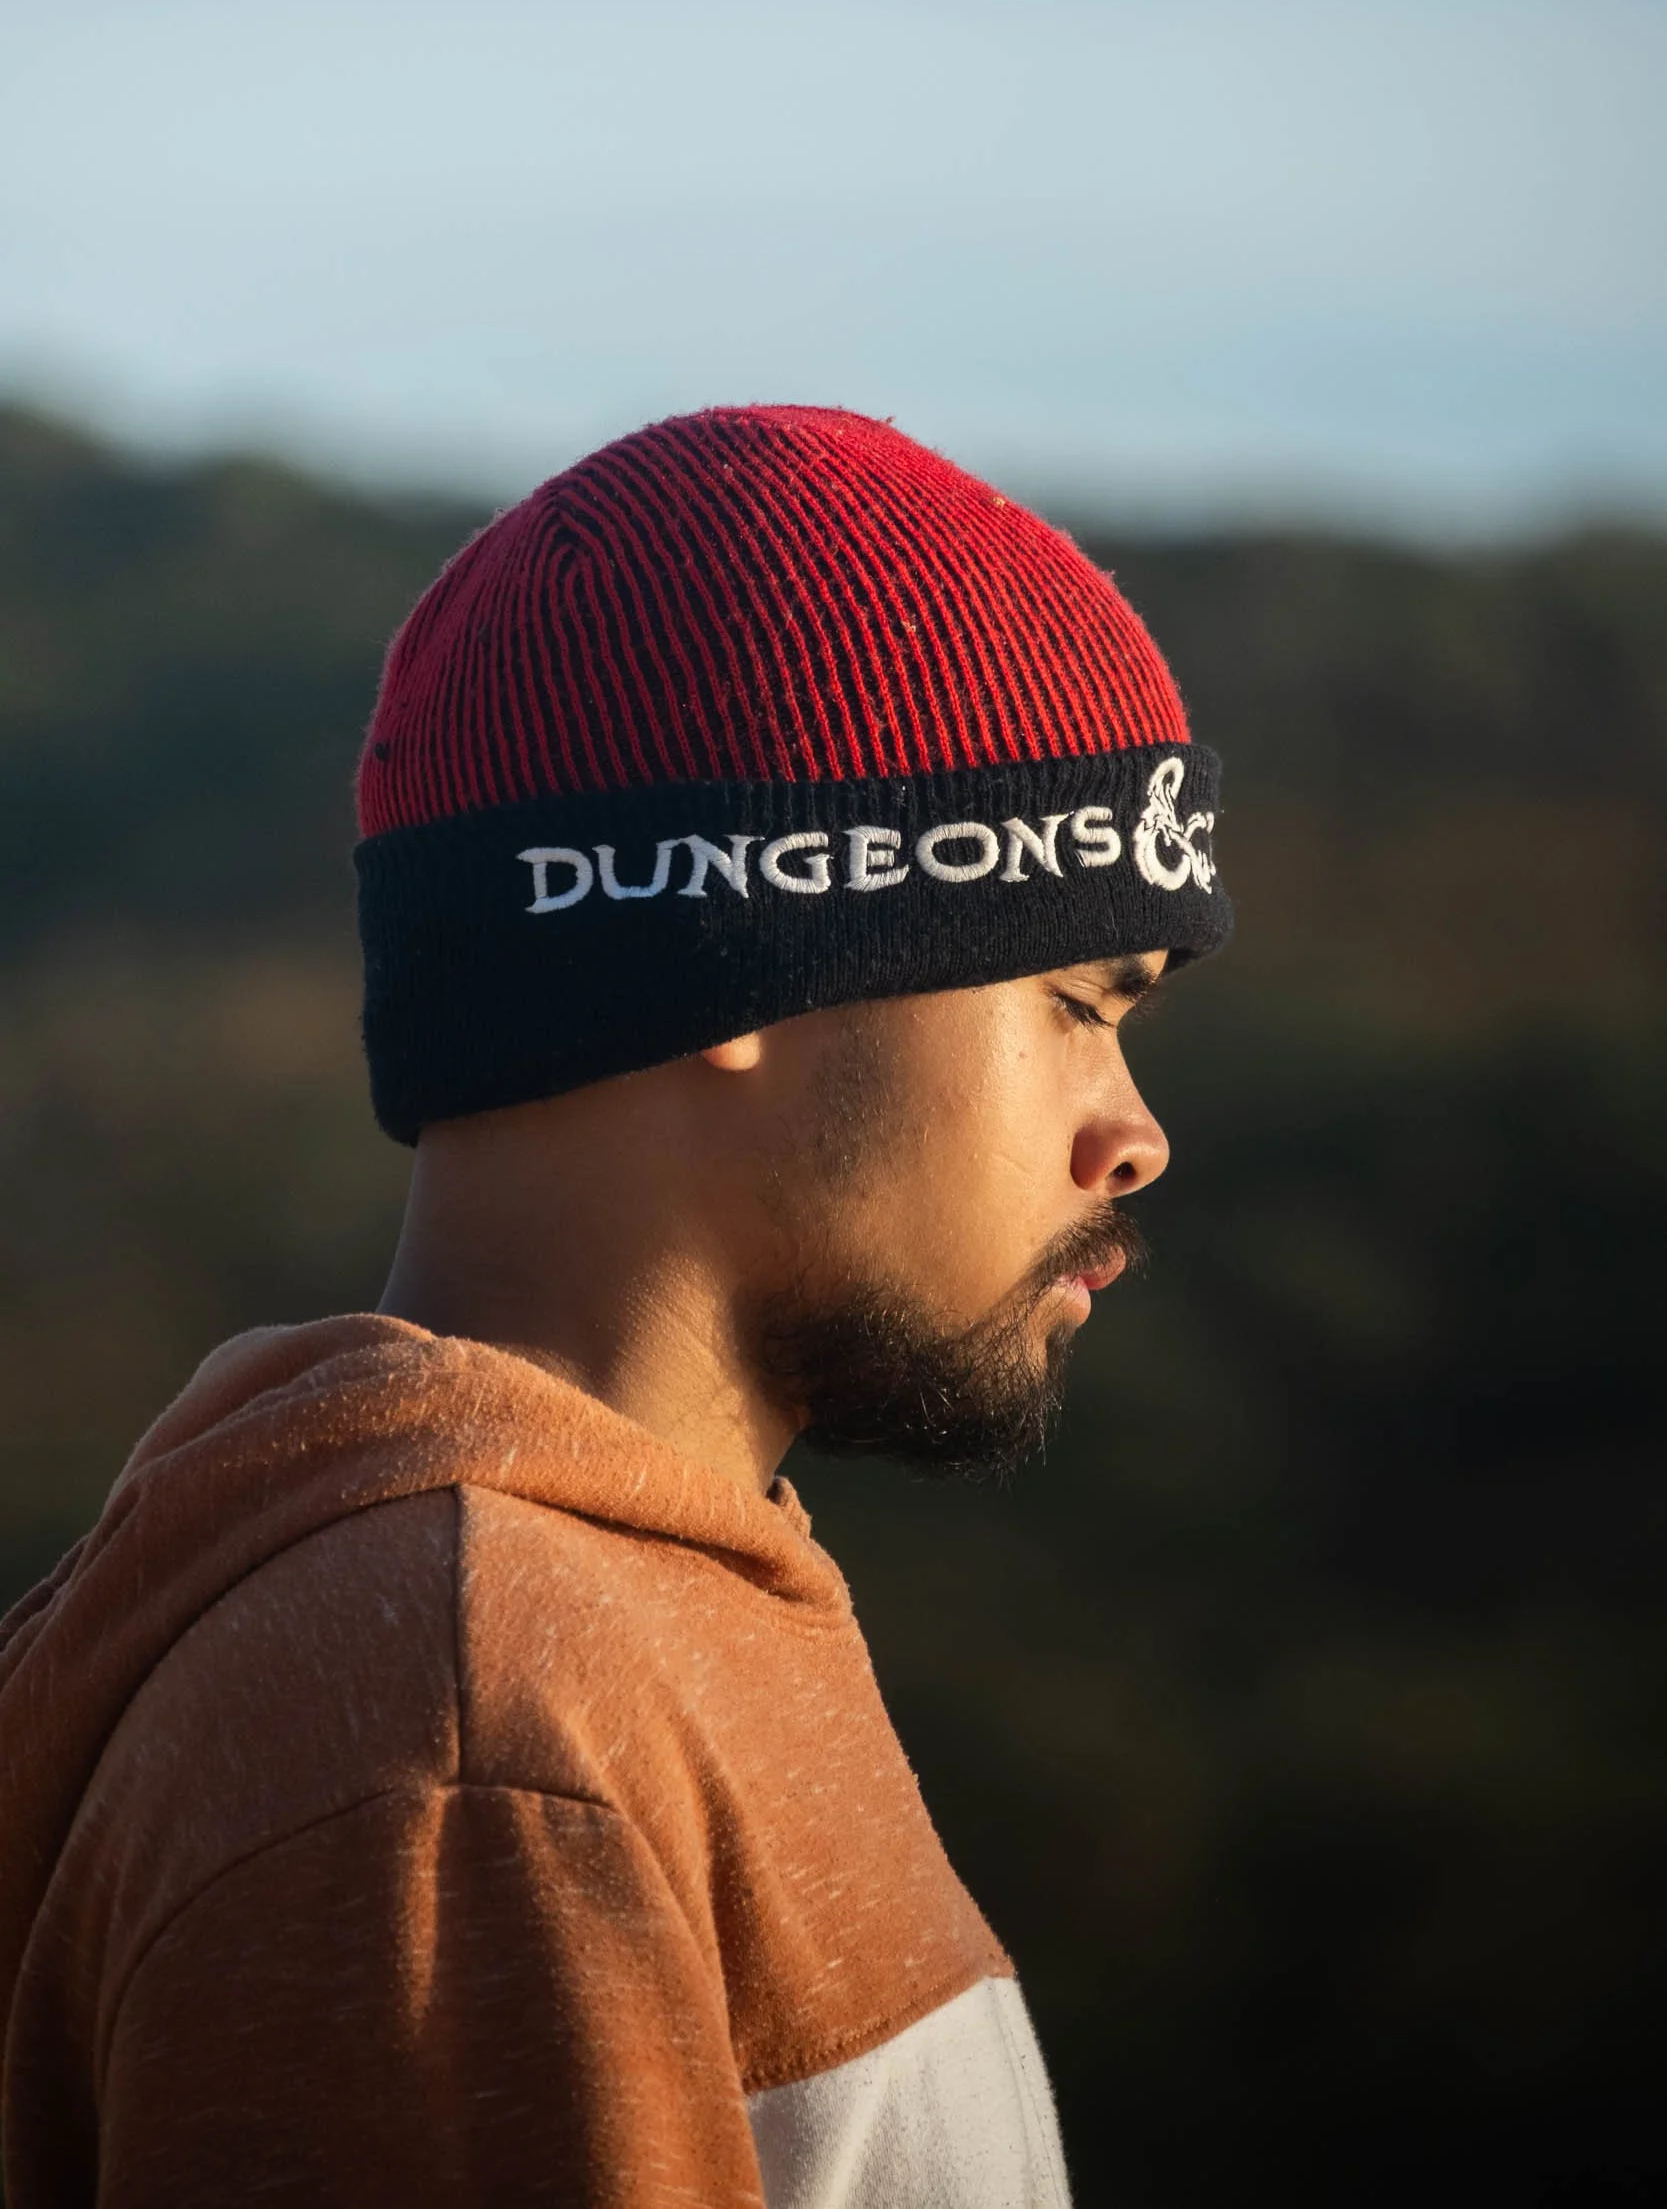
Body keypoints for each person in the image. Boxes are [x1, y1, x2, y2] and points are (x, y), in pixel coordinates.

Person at [0, 406, 1230, 2206]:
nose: (1136, 1137)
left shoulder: (608, 1624)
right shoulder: (467, 1726)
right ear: (730, 943)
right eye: (1073, 1000)